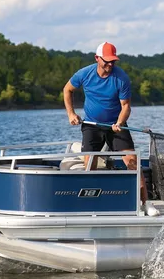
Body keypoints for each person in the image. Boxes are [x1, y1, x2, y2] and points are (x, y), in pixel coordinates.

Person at [63, 42, 158, 216]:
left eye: (113, 61)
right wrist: (71, 114)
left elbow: (126, 106)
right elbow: (67, 90)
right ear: (97, 58)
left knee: (132, 162)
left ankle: (146, 203)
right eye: (106, 61)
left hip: (116, 125)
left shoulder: (121, 78)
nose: (110, 65)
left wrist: (120, 122)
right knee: (89, 163)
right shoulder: (84, 73)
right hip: (91, 125)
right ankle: (88, 204)